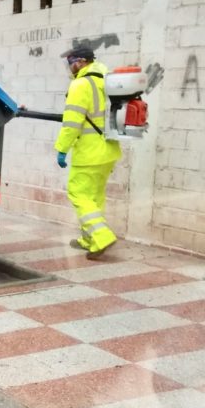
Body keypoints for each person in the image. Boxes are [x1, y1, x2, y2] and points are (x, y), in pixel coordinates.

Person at [54, 46, 122, 258]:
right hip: (108, 150)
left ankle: (101, 237)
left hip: (89, 152)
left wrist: (61, 149)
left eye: (71, 62)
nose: (70, 67)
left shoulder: (81, 85)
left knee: (79, 194)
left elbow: (72, 124)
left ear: (82, 62)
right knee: (94, 198)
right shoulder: (106, 80)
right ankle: (88, 239)